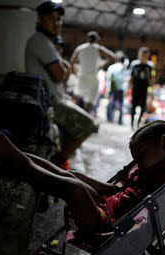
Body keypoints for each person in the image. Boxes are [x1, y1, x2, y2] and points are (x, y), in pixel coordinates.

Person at [0, 120, 165, 233]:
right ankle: (18, 155)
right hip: (109, 205)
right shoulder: (155, 165)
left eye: (141, 156)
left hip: (109, 224)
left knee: (74, 189)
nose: (138, 163)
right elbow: (123, 191)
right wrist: (91, 182)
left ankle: (20, 162)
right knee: (72, 175)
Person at [25, 1, 98, 170]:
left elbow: (64, 72)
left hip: (56, 98)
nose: (56, 22)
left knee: (76, 126)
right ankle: (57, 163)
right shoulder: (40, 41)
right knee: (89, 125)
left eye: (59, 19)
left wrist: (63, 70)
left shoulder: (48, 42)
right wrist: (63, 70)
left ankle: (59, 158)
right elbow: (60, 74)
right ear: (39, 19)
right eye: (51, 18)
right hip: (48, 102)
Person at [70, 31, 115, 114]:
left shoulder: (80, 48)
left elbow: (72, 62)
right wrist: (102, 65)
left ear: (87, 39)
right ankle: (85, 122)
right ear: (96, 40)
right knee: (89, 104)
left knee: (76, 100)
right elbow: (111, 56)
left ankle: (72, 118)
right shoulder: (98, 48)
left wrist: (76, 73)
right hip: (93, 78)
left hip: (82, 77)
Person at [128, 47, 155, 129]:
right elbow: (131, 76)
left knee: (143, 106)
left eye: (145, 55)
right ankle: (132, 123)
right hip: (135, 87)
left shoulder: (150, 65)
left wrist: (151, 90)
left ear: (147, 56)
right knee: (134, 106)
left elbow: (152, 78)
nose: (143, 56)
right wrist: (129, 88)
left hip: (144, 88)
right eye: (142, 54)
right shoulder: (134, 64)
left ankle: (139, 121)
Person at [106, 50, 128, 124]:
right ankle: (120, 120)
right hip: (121, 89)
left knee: (111, 103)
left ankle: (110, 117)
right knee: (121, 105)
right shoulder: (123, 68)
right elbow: (125, 79)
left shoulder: (111, 67)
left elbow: (109, 78)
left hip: (113, 88)